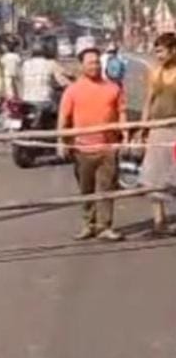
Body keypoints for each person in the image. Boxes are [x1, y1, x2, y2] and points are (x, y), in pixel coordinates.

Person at [58, 47, 126, 242]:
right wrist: (61, 141)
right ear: (81, 66)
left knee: (107, 188)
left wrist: (125, 134)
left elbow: (121, 113)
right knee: (86, 189)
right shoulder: (72, 90)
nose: (94, 66)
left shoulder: (113, 88)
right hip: (82, 149)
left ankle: (105, 226)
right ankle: (89, 224)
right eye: (90, 63)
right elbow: (64, 117)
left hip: (108, 148)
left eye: (97, 62)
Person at [138, 32, 176, 235]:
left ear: (173, 50)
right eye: (156, 52)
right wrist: (142, 128)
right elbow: (148, 101)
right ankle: (159, 222)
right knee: (154, 176)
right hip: (158, 130)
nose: (158, 55)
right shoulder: (155, 73)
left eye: (161, 51)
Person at [21, 41, 71, 109]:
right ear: (46, 51)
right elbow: (63, 81)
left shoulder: (25, 64)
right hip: (45, 101)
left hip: (27, 100)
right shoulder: (50, 63)